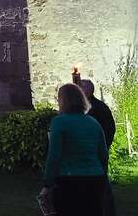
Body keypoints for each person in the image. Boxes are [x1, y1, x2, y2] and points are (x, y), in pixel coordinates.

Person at [42, 83, 108, 216]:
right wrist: (102, 174)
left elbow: (54, 156)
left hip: (69, 180)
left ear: (63, 101)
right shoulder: (93, 122)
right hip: (95, 178)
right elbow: (103, 154)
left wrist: (47, 183)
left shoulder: (59, 122)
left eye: (58, 98)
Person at [80, 79, 116, 216]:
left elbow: (109, 128)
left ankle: (106, 210)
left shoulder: (99, 107)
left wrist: (104, 145)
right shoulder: (81, 107)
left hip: (97, 151)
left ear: (88, 90)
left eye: (81, 88)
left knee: (101, 182)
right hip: (85, 153)